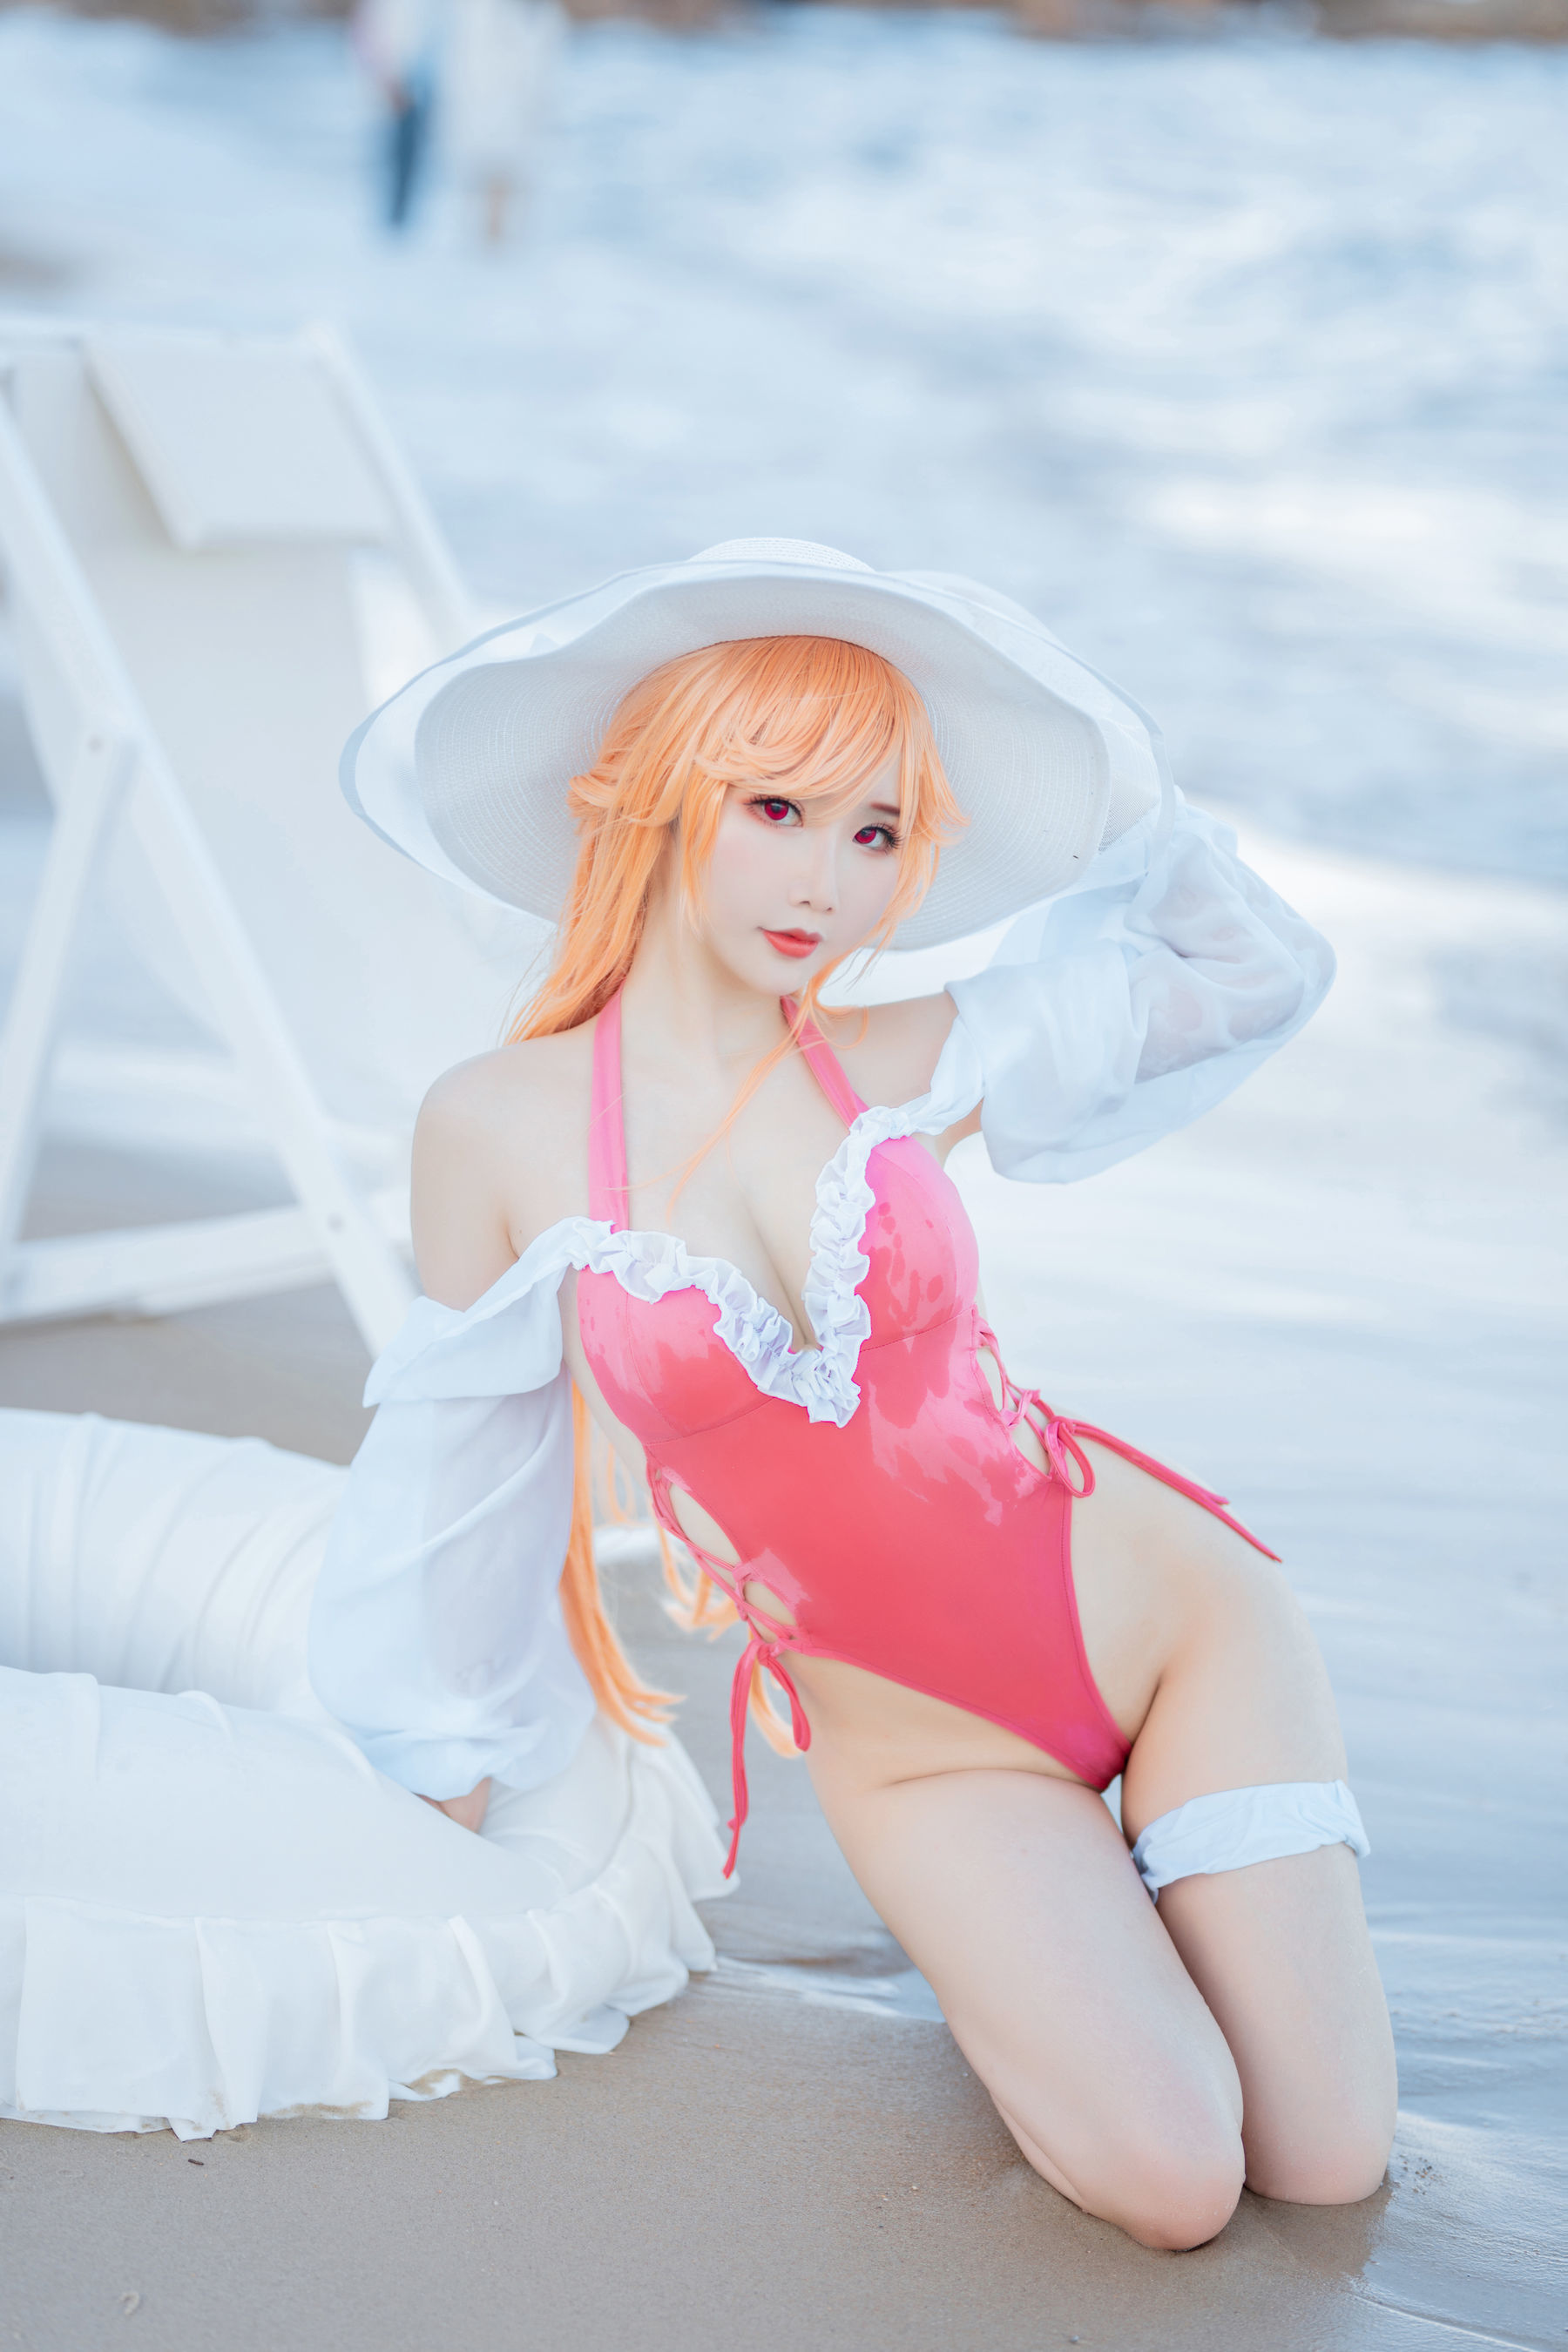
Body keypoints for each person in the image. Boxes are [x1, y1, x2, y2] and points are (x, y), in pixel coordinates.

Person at [1, 537, 1396, 2240]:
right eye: (778, 809)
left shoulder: (913, 1052)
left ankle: (1149, 1915)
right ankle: (1101, 1930)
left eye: (878, 831)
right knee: (1176, 2188)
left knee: (1327, 2168)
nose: (830, 879)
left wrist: (1128, 803)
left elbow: (1252, 973)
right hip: (929, 1756)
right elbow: (467, 1470)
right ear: (659, 800)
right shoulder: (497, 1127)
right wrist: (438, 1773)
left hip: (1176, 1625)